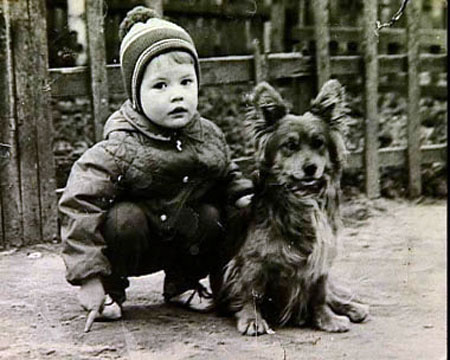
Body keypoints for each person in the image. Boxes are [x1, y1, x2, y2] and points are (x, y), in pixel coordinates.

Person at [58, 6, 253, 330]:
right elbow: (79, 201)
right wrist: (87, 277)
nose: (177, 95)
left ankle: (183, 283)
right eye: (160, 86)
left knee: (210, 216)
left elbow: (226, 172)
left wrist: (242, 195)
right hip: (135, 244)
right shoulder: (121, 144)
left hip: (178, 240)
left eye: (185, 82)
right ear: (136, 95)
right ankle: (110, 290)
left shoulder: (206, 135)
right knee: (124, 220)